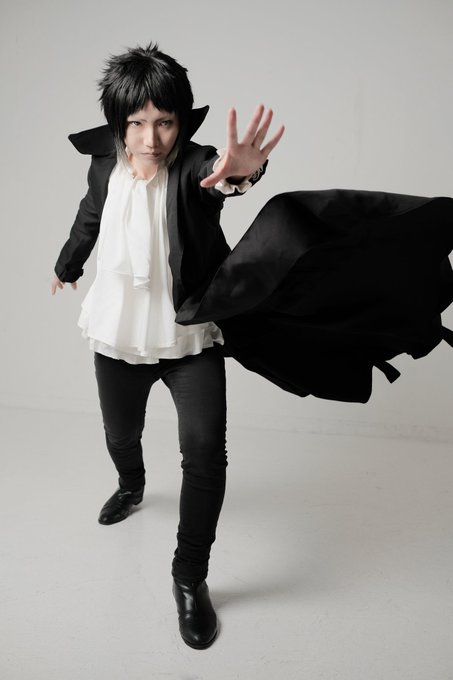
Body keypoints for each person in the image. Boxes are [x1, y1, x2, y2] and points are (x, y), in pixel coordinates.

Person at [51, 42, 284, 650]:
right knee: (120, 434)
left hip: (189, 333)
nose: (150, 139)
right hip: (119, 331)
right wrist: (67, 264)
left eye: (165, 122)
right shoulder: (104, 164)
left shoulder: (195, 165)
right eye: (136, 123)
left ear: (181, 123)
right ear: (118, 123)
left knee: (205, 455)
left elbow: (221, 179)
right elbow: (90, 215)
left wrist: (241, 173)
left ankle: (189, 577)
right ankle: (131, 485)